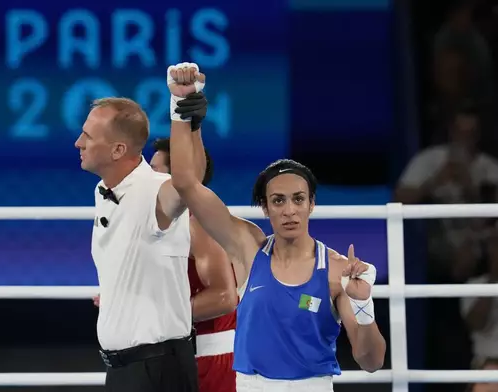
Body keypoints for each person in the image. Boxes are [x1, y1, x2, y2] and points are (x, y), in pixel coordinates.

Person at [167, 106, 387, 390]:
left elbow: (371, 361)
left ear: (311, 204)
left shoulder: (337, 271)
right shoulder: (247, 248)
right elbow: (186, 184)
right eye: (279, 201)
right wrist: (185, 118)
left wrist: (363, 306)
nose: (290, 211)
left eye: (298, 199)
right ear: (265, 207)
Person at [75, 62, 209, 392]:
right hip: (125, 370)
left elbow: (188, 182)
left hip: (157, 370)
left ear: (118, 150)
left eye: (88, 137)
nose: (78, 142)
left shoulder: (155, 191)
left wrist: (181, 111)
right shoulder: (104, 191)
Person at [150, 137, 238, 392]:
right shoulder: (165, 224)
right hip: (177, 351)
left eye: (154, 170)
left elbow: (224, 297)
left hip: (210, 359)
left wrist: (152, 317)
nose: (145, 177)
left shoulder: (197, 222)